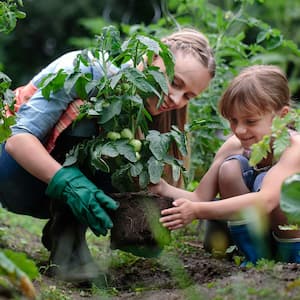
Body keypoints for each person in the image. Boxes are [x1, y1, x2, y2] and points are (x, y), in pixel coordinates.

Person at [0, 27, 215, 283]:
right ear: (152, 56)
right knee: (90, 115)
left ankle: (67, 241)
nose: (176, 99)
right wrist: (68, 182)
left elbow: (158, 185)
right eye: (175, 82)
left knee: (122, 147)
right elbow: (17, 139)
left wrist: (145, 219)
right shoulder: (85, 71)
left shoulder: (151, 120)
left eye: (188, 96)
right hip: (11, 170)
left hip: (44, 189)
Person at [149, 65, 300, 265]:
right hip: (264, 236)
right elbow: (200, 197)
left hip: (292, 241)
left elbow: (266, 201)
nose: (239, 130)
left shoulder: (293, 149)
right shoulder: (235, 145)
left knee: (281, 188)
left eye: (251, 121)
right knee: (230, 169)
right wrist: (161, 188)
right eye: (233, 120)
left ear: (281, 116)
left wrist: (196, 211)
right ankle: (255, 257)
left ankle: (291, 260)